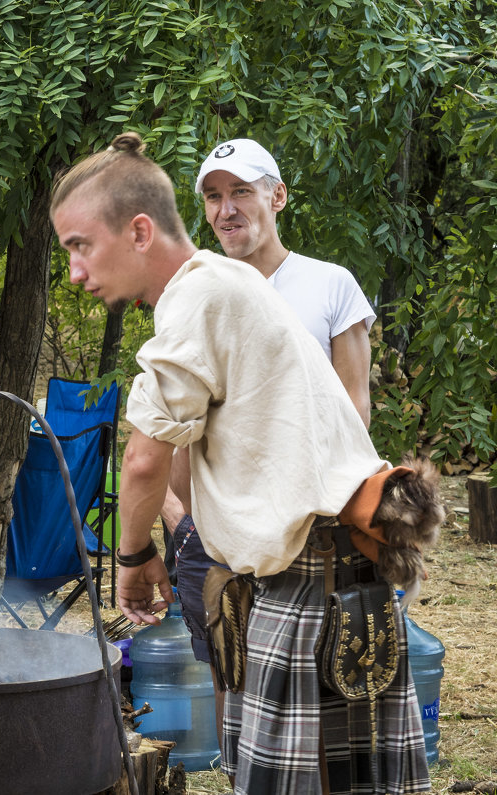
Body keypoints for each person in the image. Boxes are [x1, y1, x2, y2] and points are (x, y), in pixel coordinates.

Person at [51, 132, 437, 794]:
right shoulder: (219, 284)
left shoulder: (202, 297)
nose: (76, 272)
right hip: (325, 570)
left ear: (139, 231)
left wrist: (133, 557)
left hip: (316, 577)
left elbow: (144, 458)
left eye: (80, 246)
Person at [160, 137, 379, 741]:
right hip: (217, 538)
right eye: (213, 197)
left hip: (307, 532)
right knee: (231, 683)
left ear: (277, 197)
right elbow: (173, 425)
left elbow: (353, 413)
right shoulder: (196, 291)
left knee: (315, 694)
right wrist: (183, 524)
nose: (226, 209)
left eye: (241, 192)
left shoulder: (330, 285)